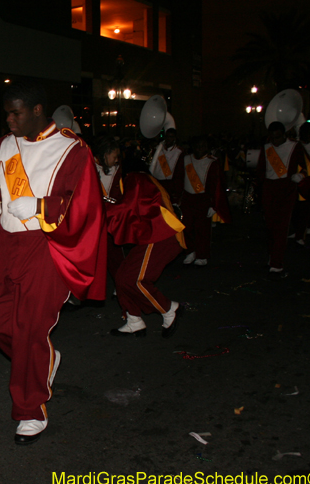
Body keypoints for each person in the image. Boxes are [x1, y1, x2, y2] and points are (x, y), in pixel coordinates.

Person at [0, 81, 106, 445]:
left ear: (37, 110)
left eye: (16, 112)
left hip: (45, 244)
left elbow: (83, 203)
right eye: (6, 112)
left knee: (31, 329)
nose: (9, 119)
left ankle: (30, 410)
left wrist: (39, 207)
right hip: (6, 242)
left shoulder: (71, 148)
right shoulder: (3, 145)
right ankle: (42, 361)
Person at [107, 170, 186, 338]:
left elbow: (127, 207)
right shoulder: (142, 178)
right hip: (154, 234)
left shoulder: (135, 177)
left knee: (135, 280)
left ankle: (169, 308)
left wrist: (103, 209)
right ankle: (134, 320)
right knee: (122, 277)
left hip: (161, 234)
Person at [255, 121, 308, 278]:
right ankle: (272, 258)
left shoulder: (295, 146)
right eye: (272, 138)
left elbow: (306, 167)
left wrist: (300, 175)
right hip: (269, 189)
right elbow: (261, 171)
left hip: (287, 188)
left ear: (284, 135)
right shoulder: (267, 148)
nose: (275, 141)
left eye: (278, 138)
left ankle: (277, 264)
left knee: (281, 227)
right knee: (271, 226)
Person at [179, 136, 231, 266]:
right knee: (186, 226)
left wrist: (213, 205)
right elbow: (179, 179)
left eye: (203, 146)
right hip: (187, 198)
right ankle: (190, 251)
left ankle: (202, 254)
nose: (200, 148)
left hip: (203, 199)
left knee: (202, 229)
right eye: (198, 146)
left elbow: (217, 184)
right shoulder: (186, 159)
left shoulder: (212, 162)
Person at [92, 137, 125, 289]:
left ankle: (122, 286)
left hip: (111, 219)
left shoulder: (117, 169)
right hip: (93, 219)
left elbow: (119, 194)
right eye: (114, 155)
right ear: (105, 154)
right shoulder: (90, 166)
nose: (117, 159)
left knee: (115, 255)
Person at [148, 128, 185, 204]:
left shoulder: (179, 152)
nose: (168, 139)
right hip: (157, 182)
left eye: (171, 137)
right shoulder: (158, 149)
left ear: (174, 138)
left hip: (169, 184)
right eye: (167, 136)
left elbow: (179, 172)